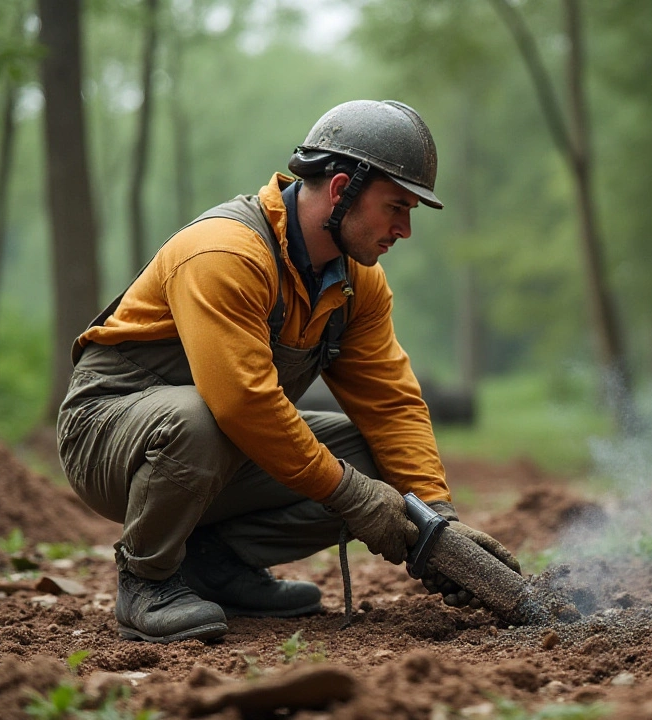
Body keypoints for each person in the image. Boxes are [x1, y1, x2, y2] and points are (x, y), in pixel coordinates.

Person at [57, 100, 519, 644]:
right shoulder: (224, 252)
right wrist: (354, 498)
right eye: (397, 206)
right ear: (343, 186)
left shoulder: (356, 283)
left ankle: (214, 564)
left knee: (374, 461)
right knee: (202, 419)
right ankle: (146, 581)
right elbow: (243, 405)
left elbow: (391, 405)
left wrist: (437, 520)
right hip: (108, 434)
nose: (405, 229)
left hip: (219, 443)